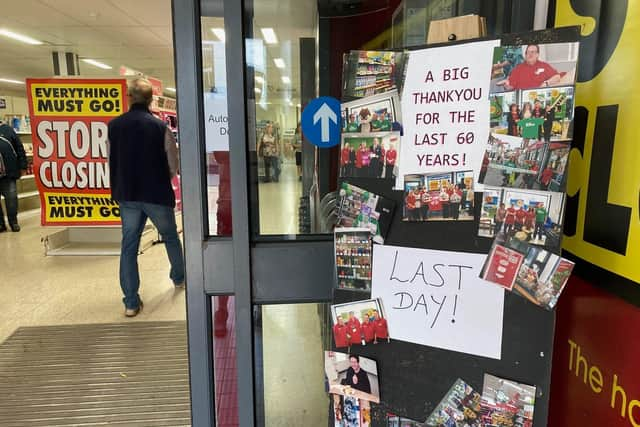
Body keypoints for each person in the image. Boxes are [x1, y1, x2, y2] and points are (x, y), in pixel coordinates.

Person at [108, 77, 185, 317]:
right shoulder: (159, 127)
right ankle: (179, 278)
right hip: (156, 193)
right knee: (171, 237)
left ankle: (131, 302)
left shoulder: (114, 126)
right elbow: (173, 161)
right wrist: (165, 177)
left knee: (129, 246)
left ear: (129, 97)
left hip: (127, 193)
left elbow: (111, 159)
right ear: (152, 99)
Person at [496, 44, 563, 90]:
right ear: (525, 55)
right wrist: (506, 85)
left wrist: (546, 83)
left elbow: (557, 77)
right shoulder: (518, 68)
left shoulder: (544, 65)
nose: (530, 54)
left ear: (537, 54)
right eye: (528, 52)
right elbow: (510, 86)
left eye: (533, 52)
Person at [0, 122, 27, 232]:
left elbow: (19, 148)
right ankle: (1, 224)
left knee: (11, 199)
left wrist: (23, 166)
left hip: (8, 174)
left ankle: (13, 222)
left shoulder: (8, 130)